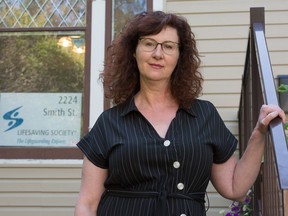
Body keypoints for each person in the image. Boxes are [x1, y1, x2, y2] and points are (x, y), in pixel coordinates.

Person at [74, 11, 286, 216]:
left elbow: (234, 188)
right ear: (133, 51)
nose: (158, 54)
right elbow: (87, 205)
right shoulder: (109, 122)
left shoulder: (204, 115)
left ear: (179, 56)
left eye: (168, 46)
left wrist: (259, 132)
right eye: (149, 43)